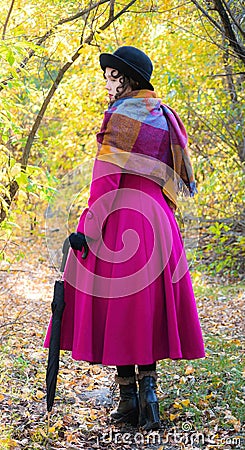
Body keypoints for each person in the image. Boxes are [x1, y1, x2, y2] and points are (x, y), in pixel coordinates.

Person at [44, 46, 205, 431]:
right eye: (107, 75)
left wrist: (87, 228)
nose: (108, 82)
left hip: (121, 217)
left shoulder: (119, 117)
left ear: (128, 80)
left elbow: (107, 180)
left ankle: (130, 400)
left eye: (114, 76)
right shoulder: (164, 116)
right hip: (159, 222)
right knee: (144, 309)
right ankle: (147, 399)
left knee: (121, 308)